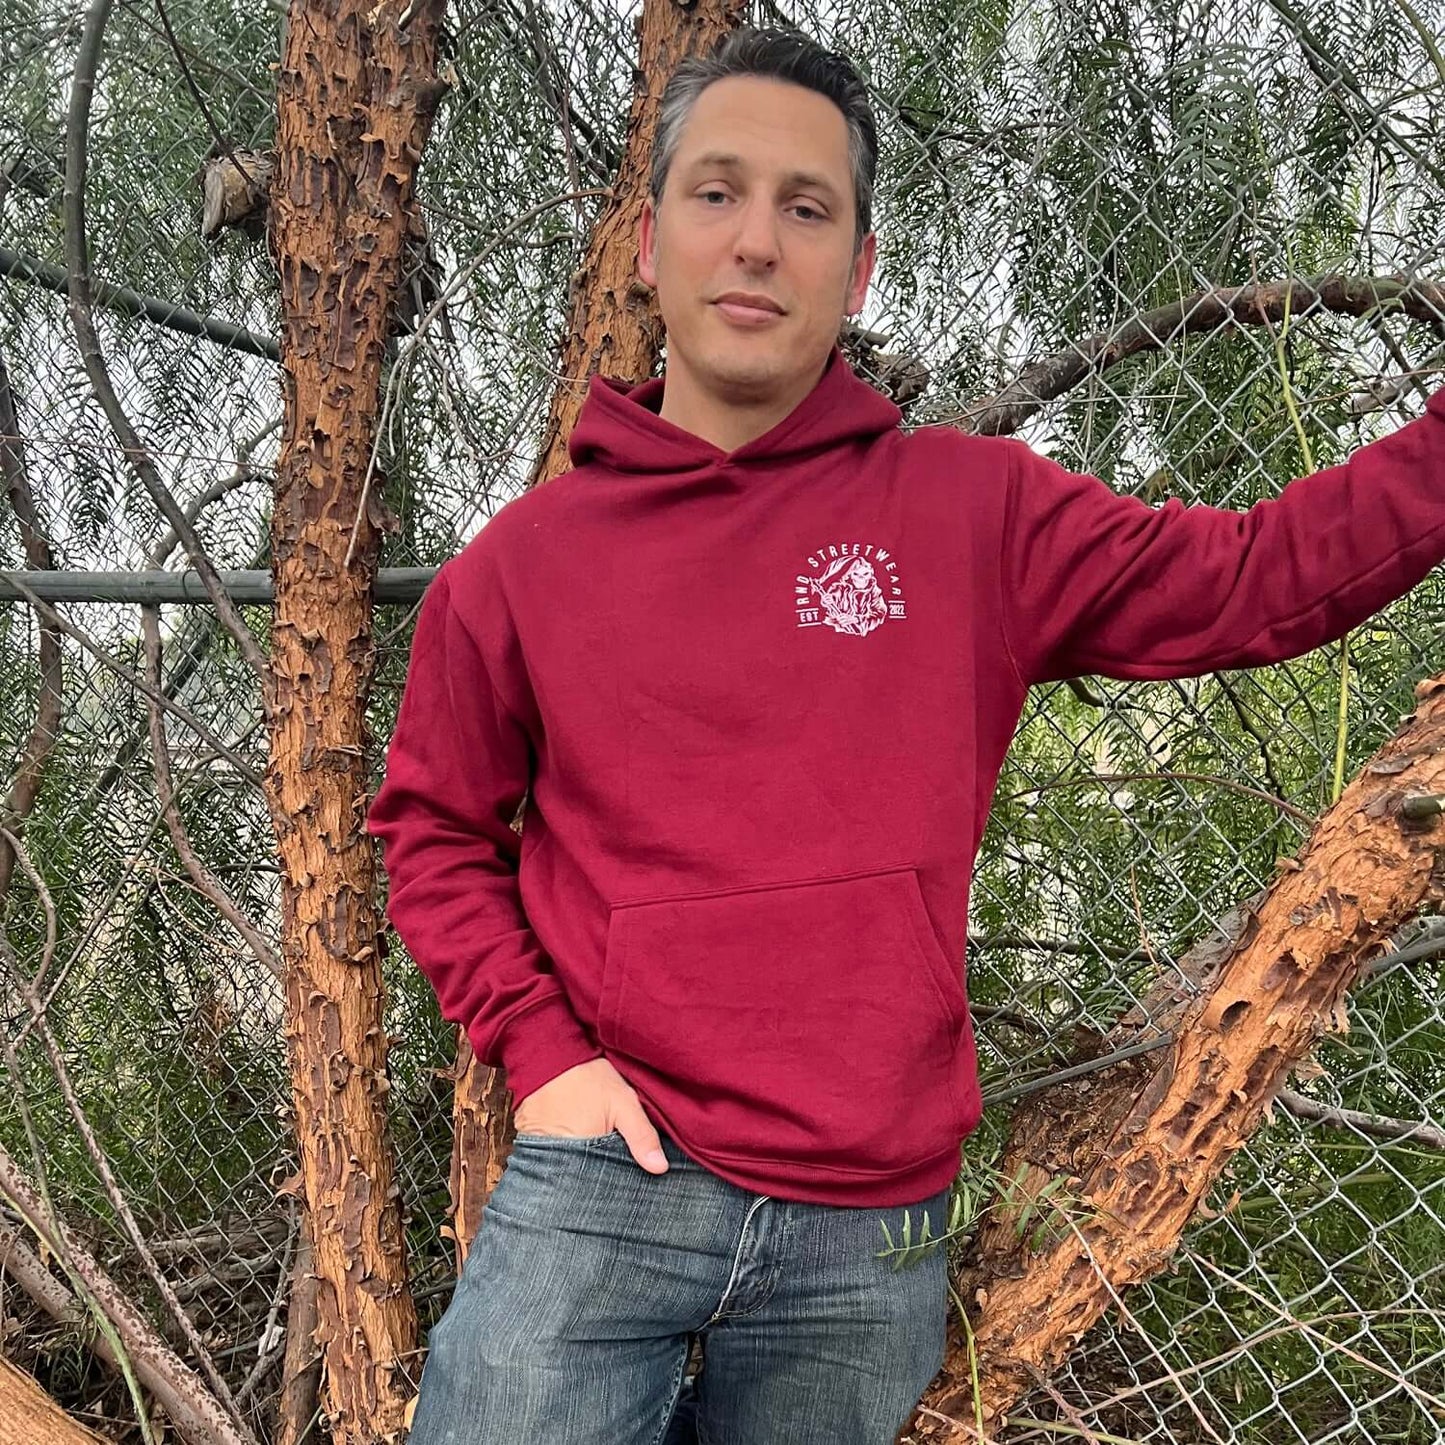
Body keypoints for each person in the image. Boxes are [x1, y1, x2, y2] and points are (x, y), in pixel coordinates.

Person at [365, 25, 1445, 1445]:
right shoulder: (520, 565)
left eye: (804, 207)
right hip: (602, 1188)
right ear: (646, 242)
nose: (756, 240)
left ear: (858, 267)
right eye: (716, 194)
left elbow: (1251, 579)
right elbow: (430, 830)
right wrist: (541, 1055)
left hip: (863, 1232)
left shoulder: (969, 513)